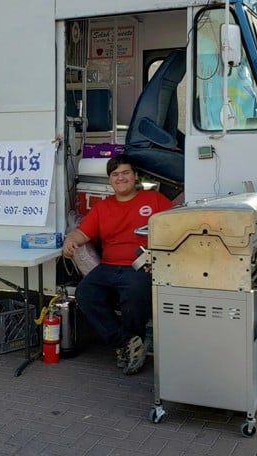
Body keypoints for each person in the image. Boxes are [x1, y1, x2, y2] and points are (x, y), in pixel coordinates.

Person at [62, 154, 172, 375]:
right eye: (115, 174)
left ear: (135, 176)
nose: (120, 178)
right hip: (109, 266)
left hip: (141, 264)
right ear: (110, 180)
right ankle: (127, 342)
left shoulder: (155, 200)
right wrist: (70, 240)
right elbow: (82, 233)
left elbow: (175, 225)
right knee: (85, 293)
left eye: (125, 173)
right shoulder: (103, 207)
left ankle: (130, 347)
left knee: (134, 292)